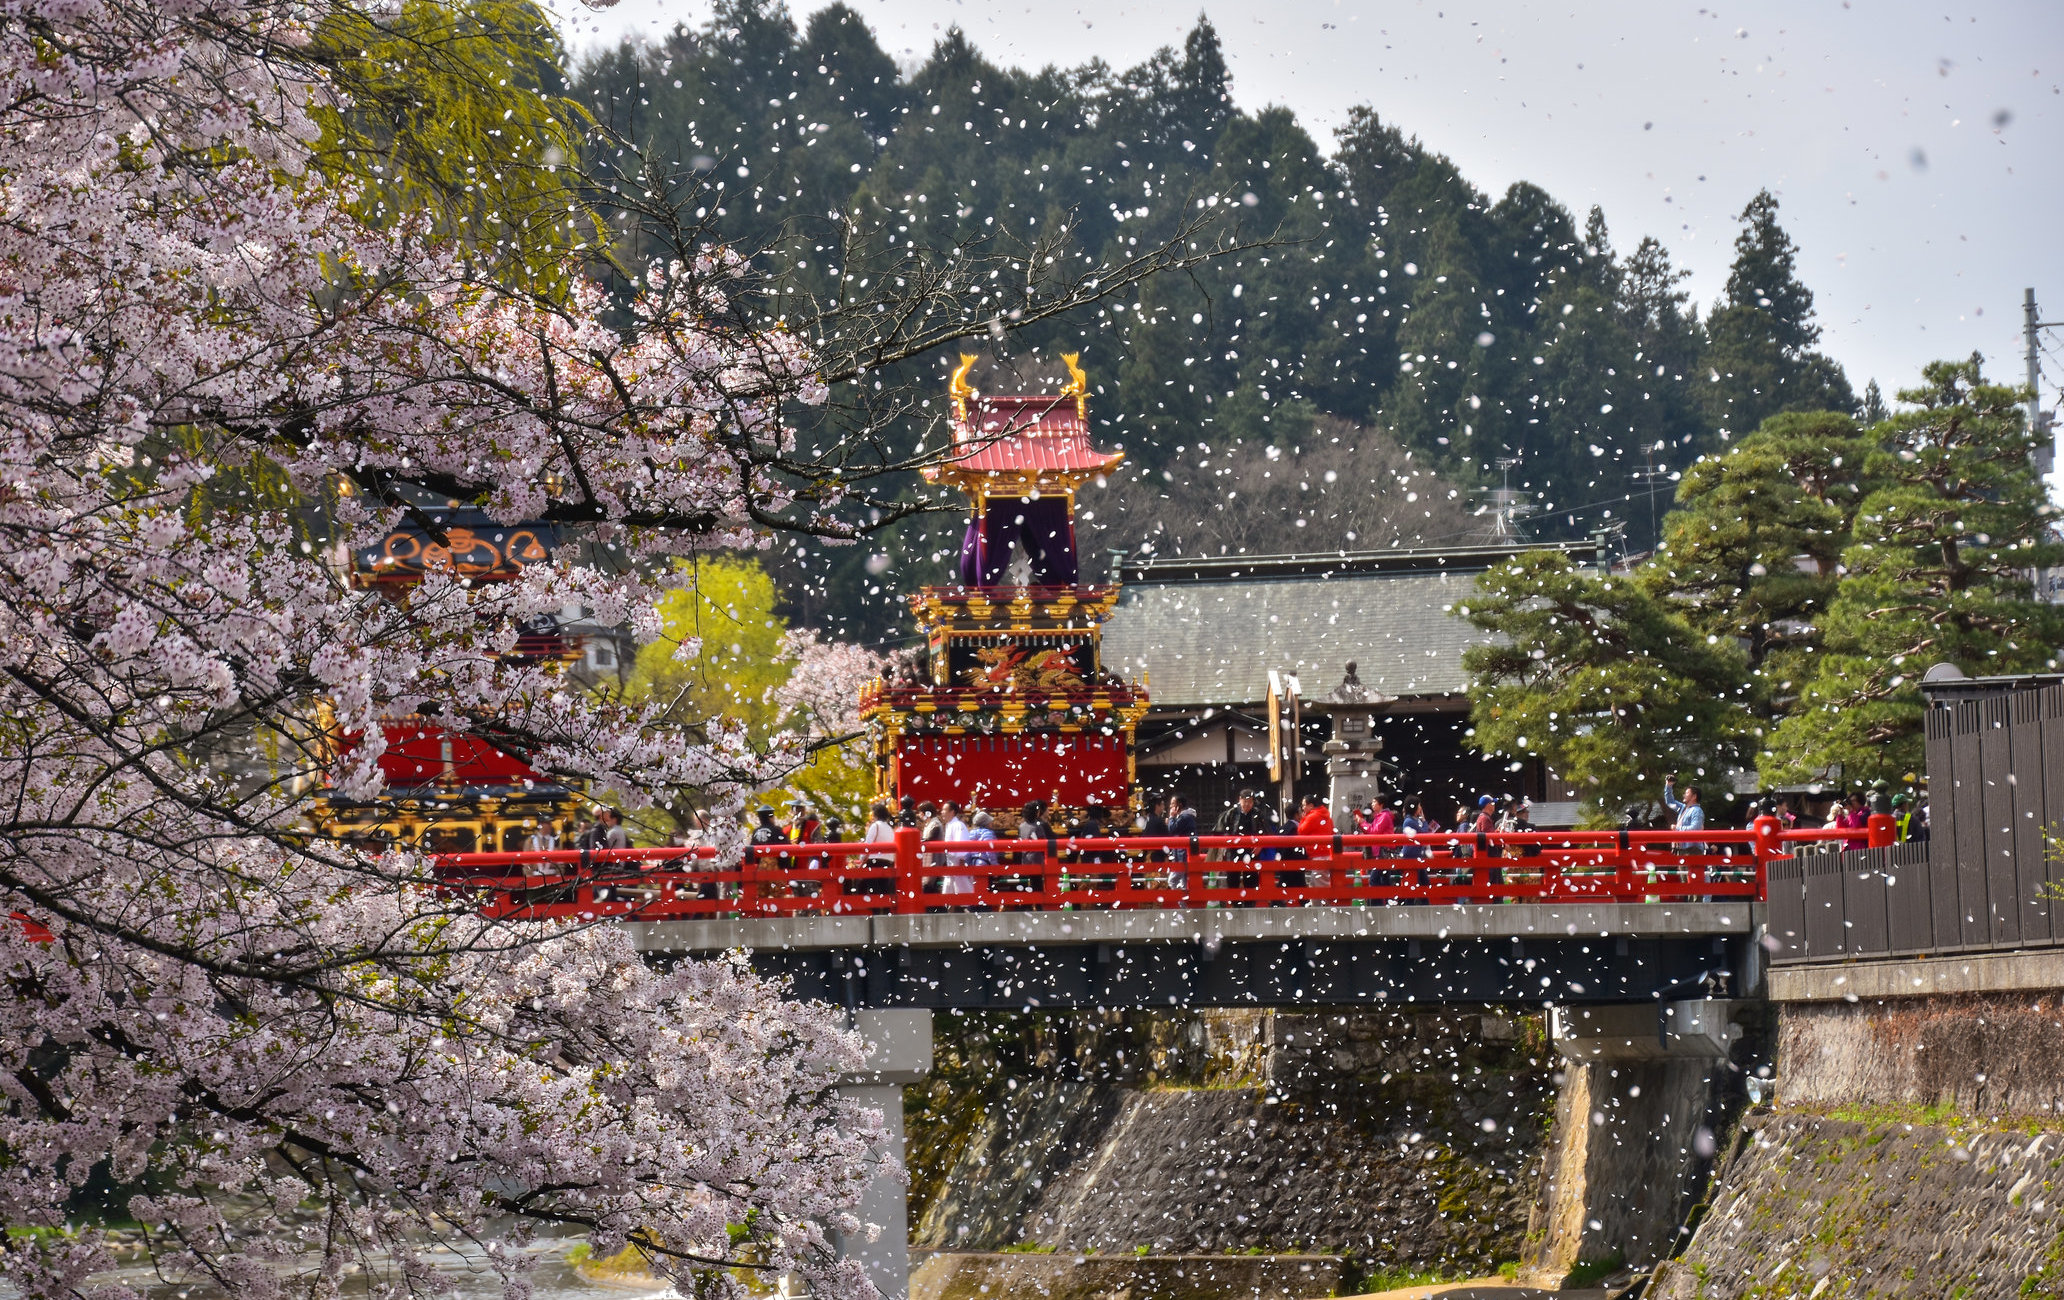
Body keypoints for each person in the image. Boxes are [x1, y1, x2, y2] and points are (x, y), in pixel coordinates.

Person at [1214, 790, 1274, 896]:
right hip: (1233, 850)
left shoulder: (1258, 814)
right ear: (1239, 800)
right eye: (1245, 801)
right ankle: (1235, 904)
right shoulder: (1231, 813)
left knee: (1252, 879)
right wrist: (1226, 841)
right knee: (1232, 879)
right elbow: (1219, 831)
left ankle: (1250, 904)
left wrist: (1260, 845)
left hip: (1252, 850)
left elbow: (1267, 832)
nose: (1247, 804)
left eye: (1250, 802)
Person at [855, 802, 896, 898]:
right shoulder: (890, 828)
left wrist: (862, 858)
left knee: (872, 887)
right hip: (888, 861)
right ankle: (885, 910)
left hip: (874, 861)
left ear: (875, 814)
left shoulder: (875, 826)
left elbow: (868, 844)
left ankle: (875, 910)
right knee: (884, 888)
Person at [1661, 777, 1707, 856]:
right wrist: (1668, 786)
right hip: (1684, 847)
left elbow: (1695, 829)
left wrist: (1677, 828)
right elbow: (1670, 802)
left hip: (1692, 848)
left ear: (1694, 796)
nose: (1684, 795)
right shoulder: (1683, 808)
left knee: (1690, 868)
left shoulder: (1697, 811)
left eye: (1687, 793)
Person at [1166, 794, 1198, 885]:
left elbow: (1172, 830)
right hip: (1182, 855)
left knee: (1173, 881)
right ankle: (1183, 899)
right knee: (1183, 882)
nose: (1170, 806)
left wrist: (1171, 817)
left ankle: (1182, 899)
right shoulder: (1184, 817)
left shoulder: (1185, 817)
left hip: (1183, 855)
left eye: (1172, 803)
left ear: (1179, 804)